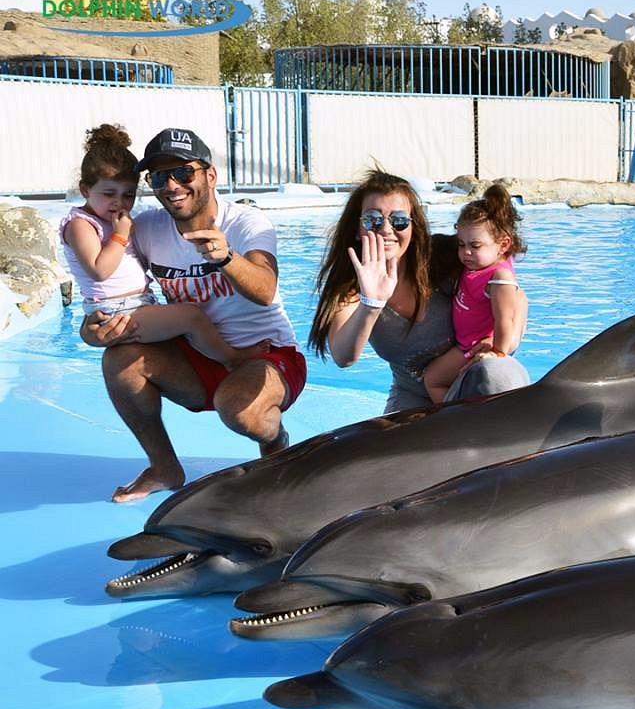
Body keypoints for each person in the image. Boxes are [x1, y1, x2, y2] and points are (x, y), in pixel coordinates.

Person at [80, 127, 307, 502]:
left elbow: (265, 289)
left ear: (210, 175)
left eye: (183, 172)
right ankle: (164, 467)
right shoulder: (147, 228)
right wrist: (91, 329)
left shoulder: (246, 223)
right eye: (158, 177)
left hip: (265, 354)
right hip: (196, 357)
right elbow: (107, 283)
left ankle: (275, 439)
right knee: (119, 360)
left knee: (239, 411)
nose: (172, 185)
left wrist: (227, 257)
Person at [308, 170, 530, 413]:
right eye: (373, 220)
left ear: (414, 227)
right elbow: (343, 356)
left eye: (399, 220)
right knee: (387, 448)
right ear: (356, 228)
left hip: (475, 378)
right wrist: (371, 303)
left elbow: (515, 296)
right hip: (412, 395)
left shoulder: (449, 257)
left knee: (497, 371)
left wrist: (497, 344)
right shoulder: (351, 283)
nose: (386, 230)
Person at [64, 124, 261, 371]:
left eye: (128, 195)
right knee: (191, 318)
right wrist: (121, 235)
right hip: (117, 310)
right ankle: (232, 358)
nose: (119, 202)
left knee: (182, 328)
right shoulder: (80, 225)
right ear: (85, 190)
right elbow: (99, 270)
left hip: (135, 304)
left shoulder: (117, 222)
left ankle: (212, 364)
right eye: (109, 193)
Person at [422, 184, 524, 403]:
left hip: (475, 347)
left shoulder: (499, 277)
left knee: (433, 379)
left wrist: (496, 354)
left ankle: (451, 417)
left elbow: (504, 320)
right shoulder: (479, 265)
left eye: (475, 246)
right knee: (432, 377)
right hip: (465, 344)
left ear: (503, 244)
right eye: (461, 244)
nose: (466, 252)